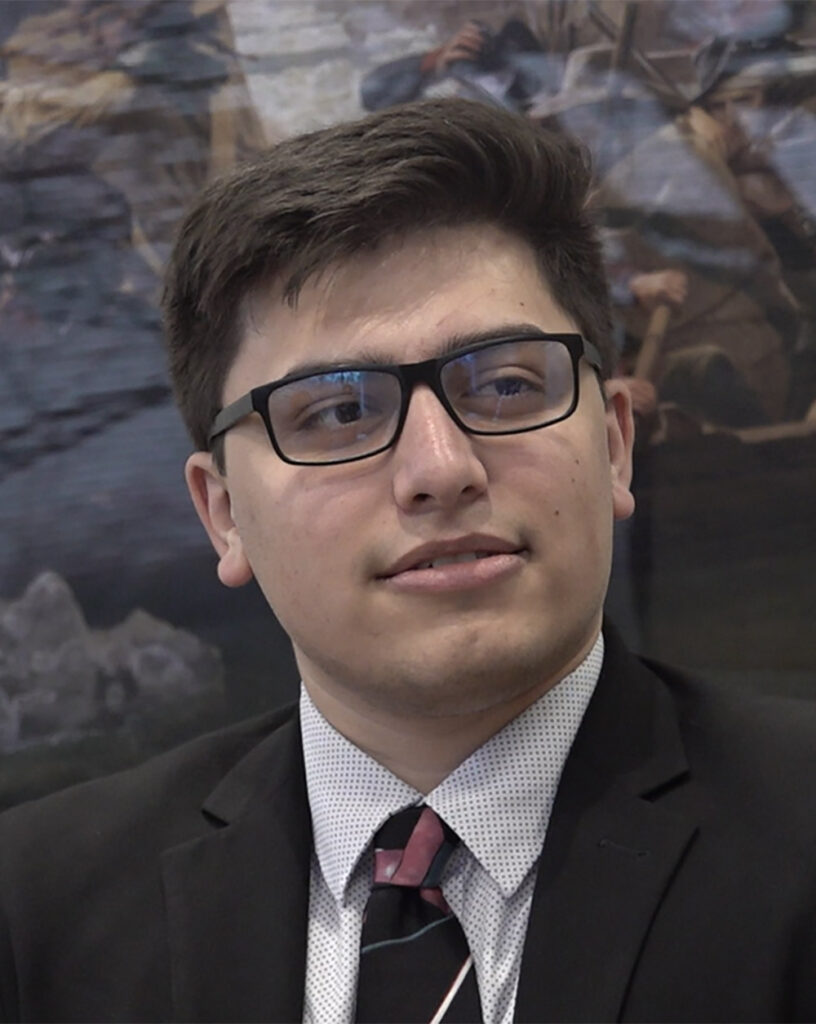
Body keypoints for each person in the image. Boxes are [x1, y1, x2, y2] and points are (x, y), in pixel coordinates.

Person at [0, 98, 815, 1024]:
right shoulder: (37, 910)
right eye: (339, 412)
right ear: (223, 514)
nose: (441, 470)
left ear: (617, 444)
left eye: (508, 385)